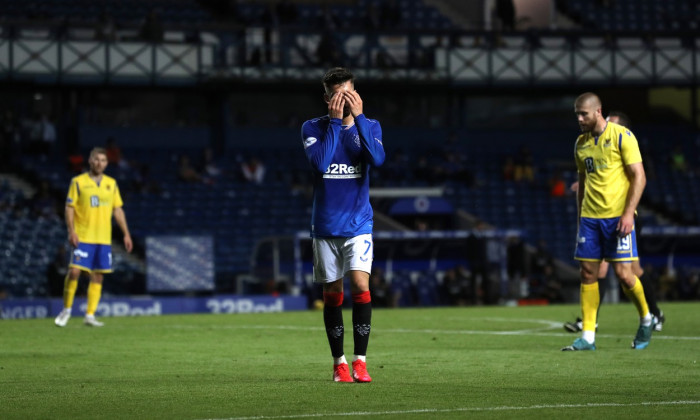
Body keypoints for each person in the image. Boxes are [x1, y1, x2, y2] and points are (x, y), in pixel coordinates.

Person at [301, 67, 385, 382]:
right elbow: (320, 165)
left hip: (358, 224)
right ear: (327, 98)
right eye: (338, 95)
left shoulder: (371, 125)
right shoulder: (312, 127)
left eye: (348, 93)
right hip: (325, 227)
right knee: (333, 293)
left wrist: (358, 119)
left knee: (361, 286)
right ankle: (339, 362)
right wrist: (337, 123)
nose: (344, 100)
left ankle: (360, 361)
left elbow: (376, 159)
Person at [563, 93, 653, 351]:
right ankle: (588, 337)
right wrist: (581, 217)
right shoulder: (580, 144)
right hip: (591, 218)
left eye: (584, 114)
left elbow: (639, 177)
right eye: (577, 114)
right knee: (588, 273)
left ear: (598, 111)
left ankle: (646, 318)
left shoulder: (622, 136)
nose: (579, 119)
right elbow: (583, 183)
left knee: (625, 275)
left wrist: (628, 214)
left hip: (617, 217)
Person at [54, 147, 133, 327]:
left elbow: (117, 209)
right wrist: (71, 230)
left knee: (98, 277)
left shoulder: (111, 184)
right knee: (74, 271)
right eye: (96, 159)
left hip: (103, 239)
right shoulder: (78, 182)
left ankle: (89, 315)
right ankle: (66, 310)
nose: (99, 163)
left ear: (107, 163)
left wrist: (126, 234)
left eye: (103, 160)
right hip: (83, 236)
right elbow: (69, 207)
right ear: (90, 161)